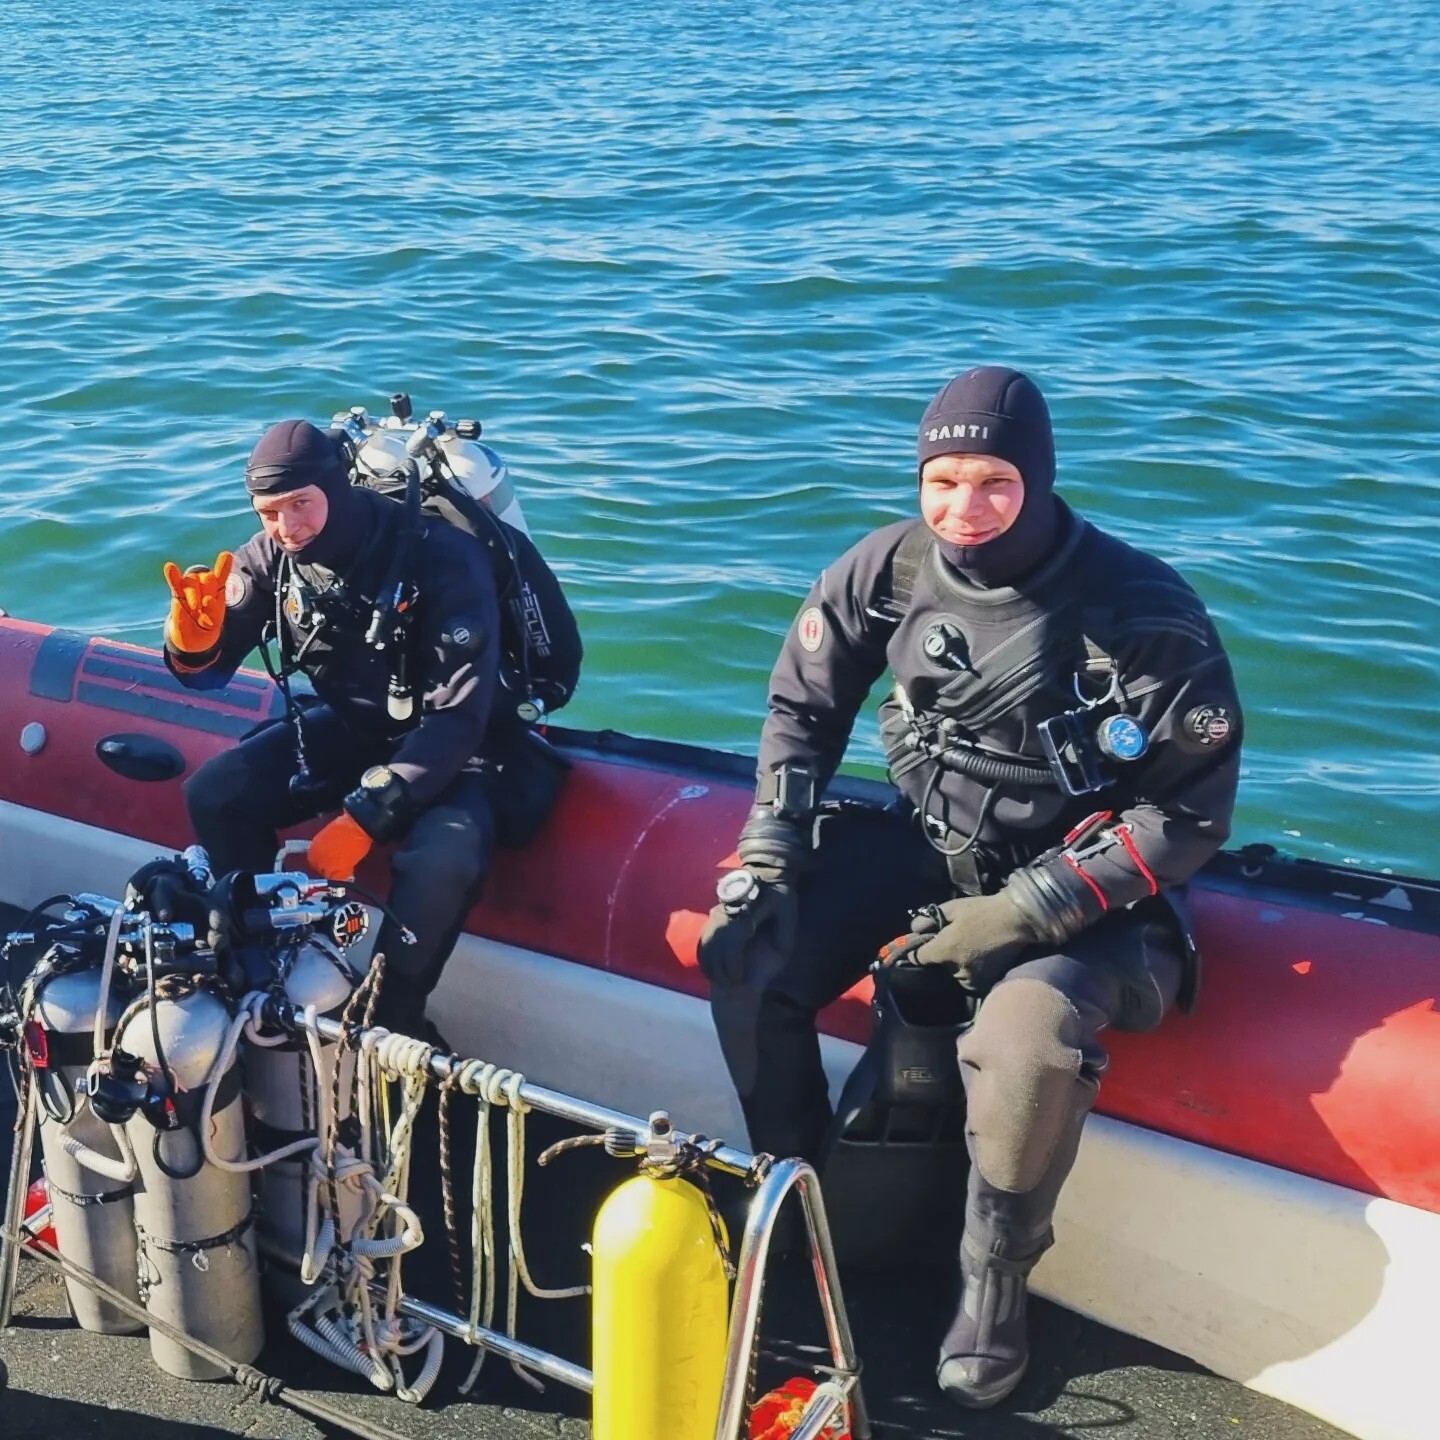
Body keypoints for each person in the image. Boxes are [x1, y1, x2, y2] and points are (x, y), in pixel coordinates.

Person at [699, 366, 1242, 1409]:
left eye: (995, 481)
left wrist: (1022, 913)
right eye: (942, 481)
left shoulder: (1141, 607)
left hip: (1085, 891)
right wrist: (768, 853)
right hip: (929, 845)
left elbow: (1187, 815)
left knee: (1025, 1042)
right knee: (748, 953)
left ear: (1038, 479)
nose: (965, 507)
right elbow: (803, 711)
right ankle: (794, 1198)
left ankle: (993, 1287)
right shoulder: (888, 568)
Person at [162, 418, 503, 1038]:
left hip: (463, 754)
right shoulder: (272, 559)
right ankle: (262, 970)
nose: (287, 526)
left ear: (338, 488)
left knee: (442, 858)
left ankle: (390, 1020)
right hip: (358, 729)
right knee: (214, 791)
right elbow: (209, 675)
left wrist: (364, 818)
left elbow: (459, 718)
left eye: (301, 504)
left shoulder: (441, 556)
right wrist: (192, 643)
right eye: (269, 512)